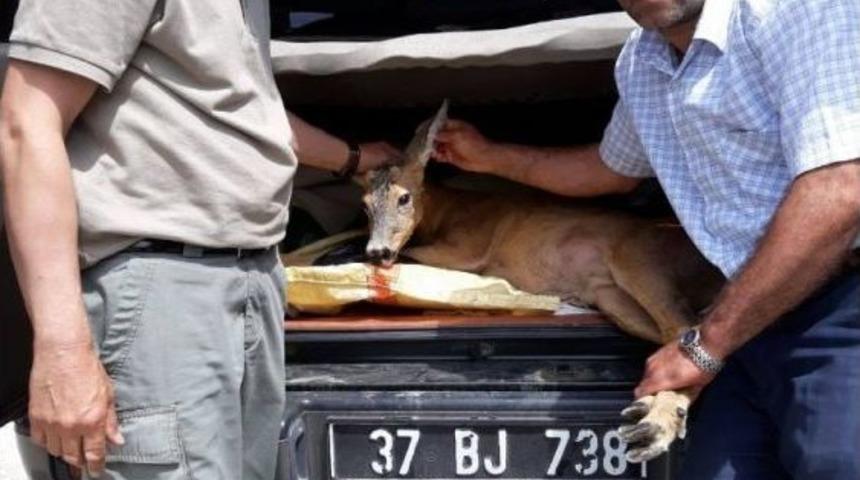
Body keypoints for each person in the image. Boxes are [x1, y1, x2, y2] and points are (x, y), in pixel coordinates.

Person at [434, 0, 860, 478]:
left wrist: (706, 345)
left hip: (839, 314)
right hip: (741, 322)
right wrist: (490, 157)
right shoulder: (641, 60)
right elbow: (611, 170)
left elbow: (842, 187)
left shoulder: (801, 12)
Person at [0, 1, 399, 478]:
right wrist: (62, 351)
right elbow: (26, 122)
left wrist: (358, 159)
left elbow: (245, 111)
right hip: (161, 295)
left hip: (252, 278)